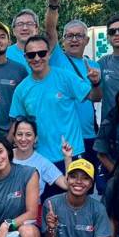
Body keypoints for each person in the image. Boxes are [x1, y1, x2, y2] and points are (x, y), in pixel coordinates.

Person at [9, 35, 99, 171]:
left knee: (75, 192)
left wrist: (96, 83)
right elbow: (17, 123)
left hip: (71, 153)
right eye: (32, 55)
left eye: (42, 53)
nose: (37, 58)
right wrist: (1, 148)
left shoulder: (65, 77)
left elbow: (95, 97)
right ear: (25, 57)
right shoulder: (21, 89)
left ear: (49, 54)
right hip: (38, 159)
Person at [52, 19, 101, 166]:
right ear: (63, 40)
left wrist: (96, 82)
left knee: (87, 183)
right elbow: (50, 29)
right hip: (65, 138)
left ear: (86, 40)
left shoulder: (94, 65)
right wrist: (53, 5)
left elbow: (97, 97)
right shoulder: (57, 58)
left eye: (79, 36)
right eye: (69, 36)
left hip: (89, 135)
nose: (74, 40)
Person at [12, 117, 69, 198]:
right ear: (14, 137)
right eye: (19, 134)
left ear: (35, 138)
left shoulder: (42, 162)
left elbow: (66, 185)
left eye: (28, 134)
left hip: (34, 208)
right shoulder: (5, 157)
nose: (23, 139)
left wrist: (67, 157)